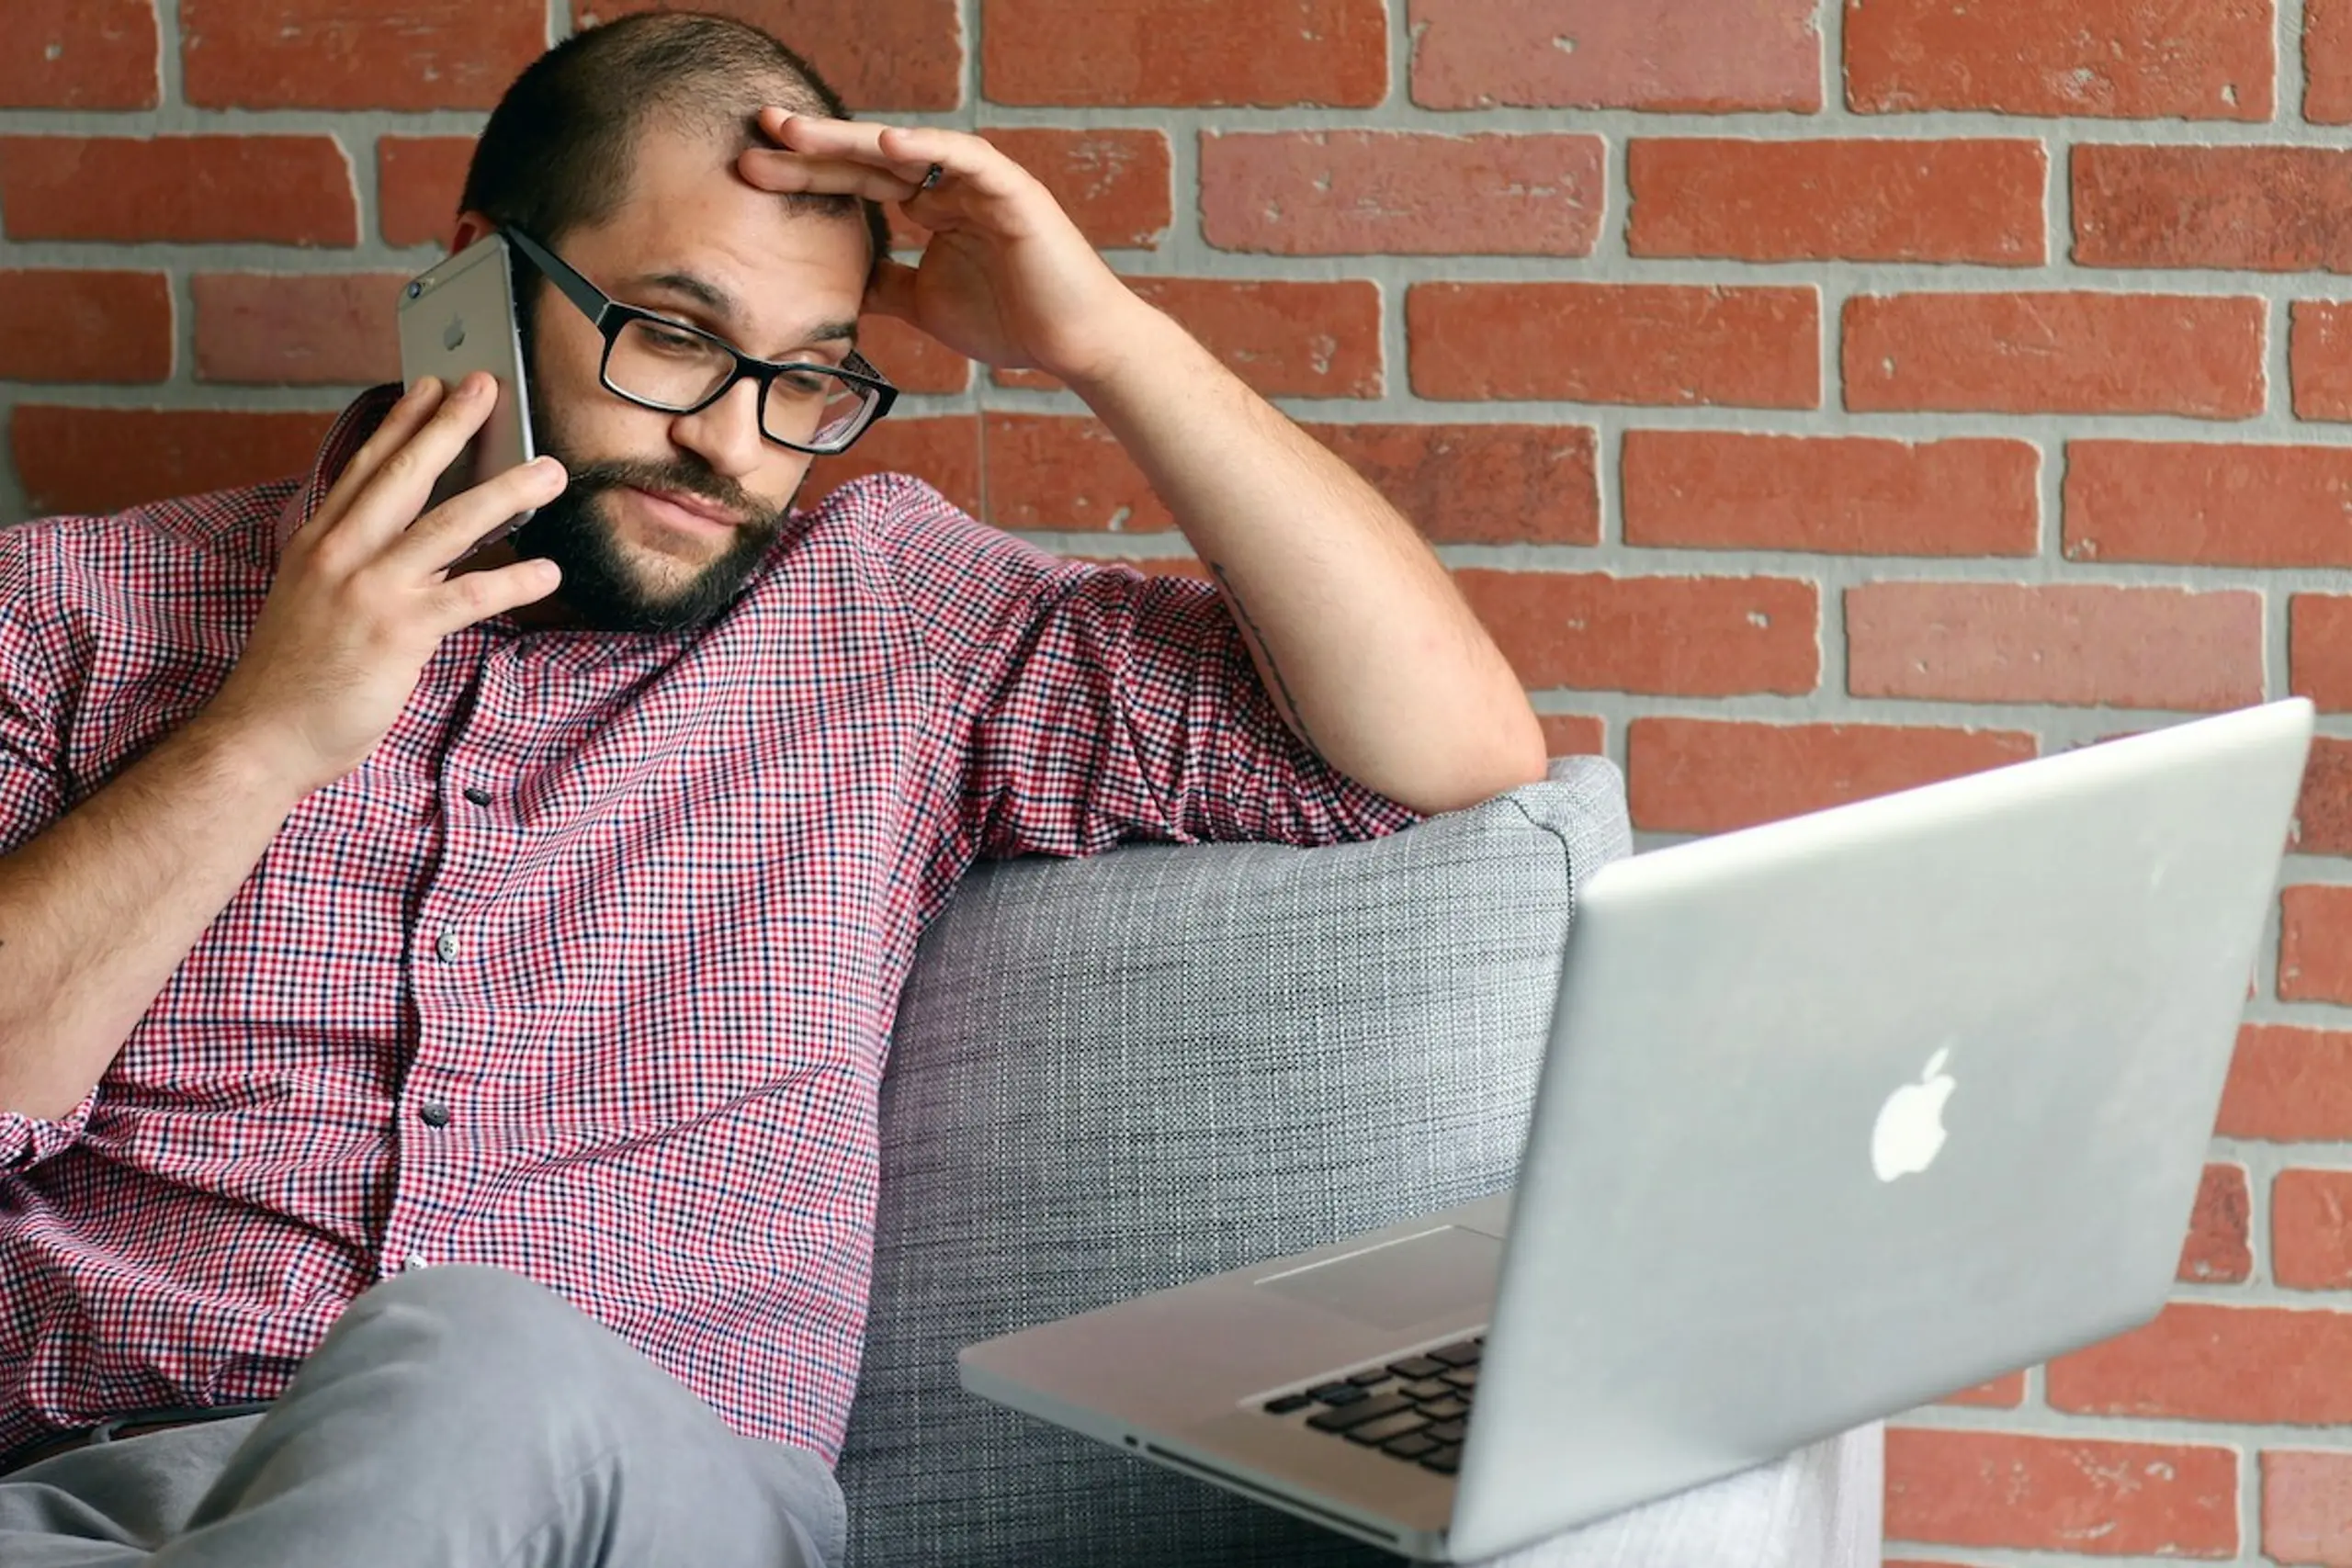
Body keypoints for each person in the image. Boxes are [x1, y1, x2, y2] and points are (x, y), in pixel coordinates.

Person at [0, 12, 1544, 1564]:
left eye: (807, 380)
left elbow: (1447, 746)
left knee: (468, 1356)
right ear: (479, 279)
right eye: (671, 336)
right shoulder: (74, 612)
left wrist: (1104, 339)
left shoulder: (892, 622)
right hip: (83, 1500)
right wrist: (262, 734)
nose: (733, 444)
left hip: (634, 1501)